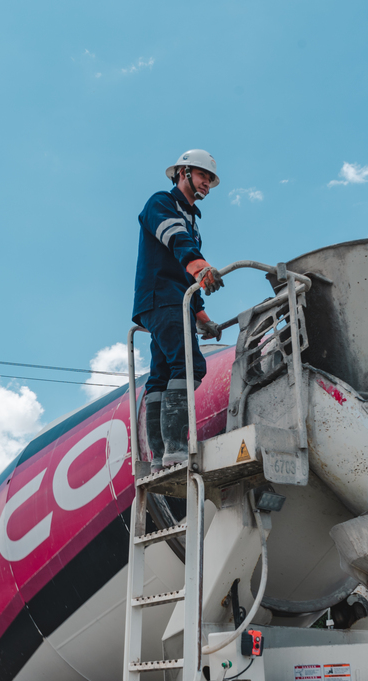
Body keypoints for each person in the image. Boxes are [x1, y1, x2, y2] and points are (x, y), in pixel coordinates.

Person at [132, 149, 226, 471]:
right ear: (184, 172)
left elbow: (188, 272)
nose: (207, 185)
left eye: (210, 181)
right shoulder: (162, 203)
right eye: (203, 176)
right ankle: (175, 449)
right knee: (189, 365)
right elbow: (176, 240)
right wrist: (199, 265)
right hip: (162, 297)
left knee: (161, 375)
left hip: (173, 300)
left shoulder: (193, 223)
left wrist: (201, 316)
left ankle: (160, 456)